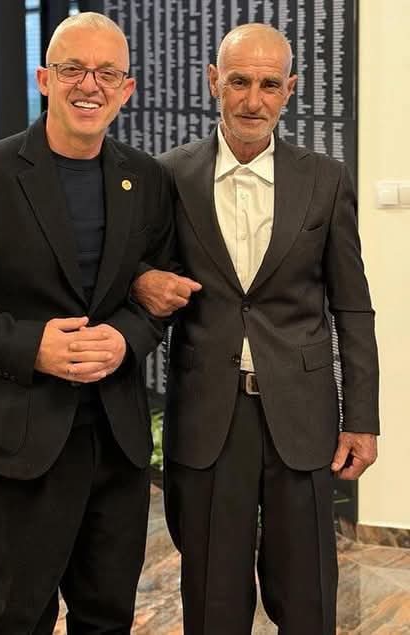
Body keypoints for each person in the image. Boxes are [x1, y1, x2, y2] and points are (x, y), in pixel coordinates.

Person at [0, 12, 172, 633]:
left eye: (107, 73)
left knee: (108, 617)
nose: (90, 85)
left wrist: (126, 339)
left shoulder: (146, 179)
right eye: (73, 69)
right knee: (17, 619)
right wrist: (32, 346)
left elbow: (156, 292)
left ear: (127, 89)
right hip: (20, 443)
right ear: (44, 78)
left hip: (117, 441)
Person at [132, 23, 379, 634]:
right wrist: (140, 279)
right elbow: (137, 272)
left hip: (303, 415)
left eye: (269, 85)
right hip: (209, 418)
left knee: (308, 597)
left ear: (290, 89)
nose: (252, 100)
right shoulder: (170, 176)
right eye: (238, 81)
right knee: (213, 598)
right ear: (213, 82)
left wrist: (361, 418)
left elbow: (352, 307)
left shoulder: (325, 179)